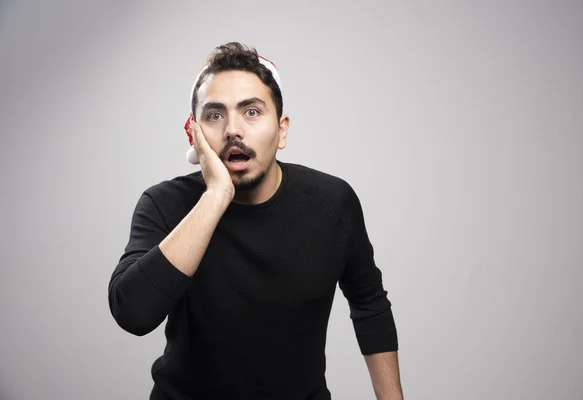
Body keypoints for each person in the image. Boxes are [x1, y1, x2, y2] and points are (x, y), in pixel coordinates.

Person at [108, 42, 404, 400]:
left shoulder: (332, 202)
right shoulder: (165, 204)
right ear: (194, 134)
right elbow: (133, 313)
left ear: (282, 130)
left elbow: (370, 303)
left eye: (251, 111)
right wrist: (216, 195)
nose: (233, 129)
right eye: (215, 115)